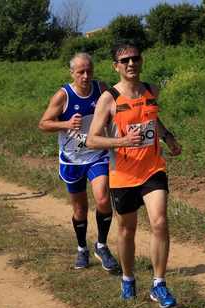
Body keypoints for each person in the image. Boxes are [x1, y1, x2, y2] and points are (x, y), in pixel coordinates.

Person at [87, 42, 183, 308]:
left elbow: (152, 120)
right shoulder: (110, 98)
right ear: (115, 66)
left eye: (135, 59)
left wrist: (168, 137)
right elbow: (93, 139)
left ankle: (159, 284)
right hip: (123, 175)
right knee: (126, 230)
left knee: (160, 222)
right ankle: (128, 279)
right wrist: (123, 141)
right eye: (125, 60)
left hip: (152, 168)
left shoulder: (152, 90)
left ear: (141, 61)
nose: (131, 64)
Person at [38, 53, 120, 272]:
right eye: (81, 72)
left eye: (89, 71)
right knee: (80, 208)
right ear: (72, 73)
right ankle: (82, 248)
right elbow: (43, 124)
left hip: (97, 154)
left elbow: (116, 111)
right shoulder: (63, 96)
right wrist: (65, 123)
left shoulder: (101, 89)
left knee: (103, 199)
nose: (85, 76)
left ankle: (101, 245)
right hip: (72, 159)